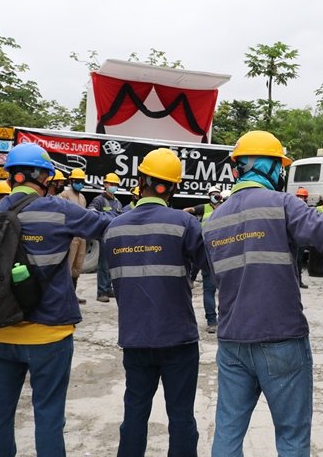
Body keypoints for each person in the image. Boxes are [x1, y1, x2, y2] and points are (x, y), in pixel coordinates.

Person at [202, 130, 323, 456]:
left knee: (227, 433)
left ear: (237, 168)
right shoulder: (283, 204)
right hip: (281, 338)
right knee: (292, 436)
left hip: (232, 342)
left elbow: (216, 277)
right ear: (272, 168)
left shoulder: (213, 221)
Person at [0, 143, 115, 457]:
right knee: (49, 415)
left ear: (11, 175)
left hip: (0, 330)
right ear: (44, 176)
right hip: (49, 333)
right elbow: (106, 226)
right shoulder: (59, 209)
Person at [104, 148, 208, 456]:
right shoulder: (185, 223)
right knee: (181, 415)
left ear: (140, 181)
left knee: (135, 412)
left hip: (135, 337)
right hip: (178, 338)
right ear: (173, 187)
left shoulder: (114, 227)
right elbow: (211, 266)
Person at [183, 185, 225, 332]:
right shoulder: (206, 208)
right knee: (211, 289)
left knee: (220, 290)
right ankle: (213, 321)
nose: (216, 197)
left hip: (218, 252)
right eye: (213, 194)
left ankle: (218, 321)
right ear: (209, 196)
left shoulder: (223, 207)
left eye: (217, 194)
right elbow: (187, 210)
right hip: (212, 251)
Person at [89, 173, 124, 303]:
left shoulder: (117, 202)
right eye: (111, 184)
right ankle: (101, 291)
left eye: (115, 184)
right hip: (104, 235)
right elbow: (91, 212)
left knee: (111, 264)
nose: (113, 186)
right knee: (103, 264)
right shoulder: (99, 200)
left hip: (114, 236)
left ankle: (108, 288)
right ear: (105, 184)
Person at [60, 167, 88, 303]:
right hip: (70, 236)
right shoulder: (64, 195)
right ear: (71, 181)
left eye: (82, 181)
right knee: (68, 266)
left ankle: (73, 295)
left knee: (78, 266)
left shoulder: (82, 197)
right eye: (77, 181)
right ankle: (65, 296)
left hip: (81, 236)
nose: (80, 184)